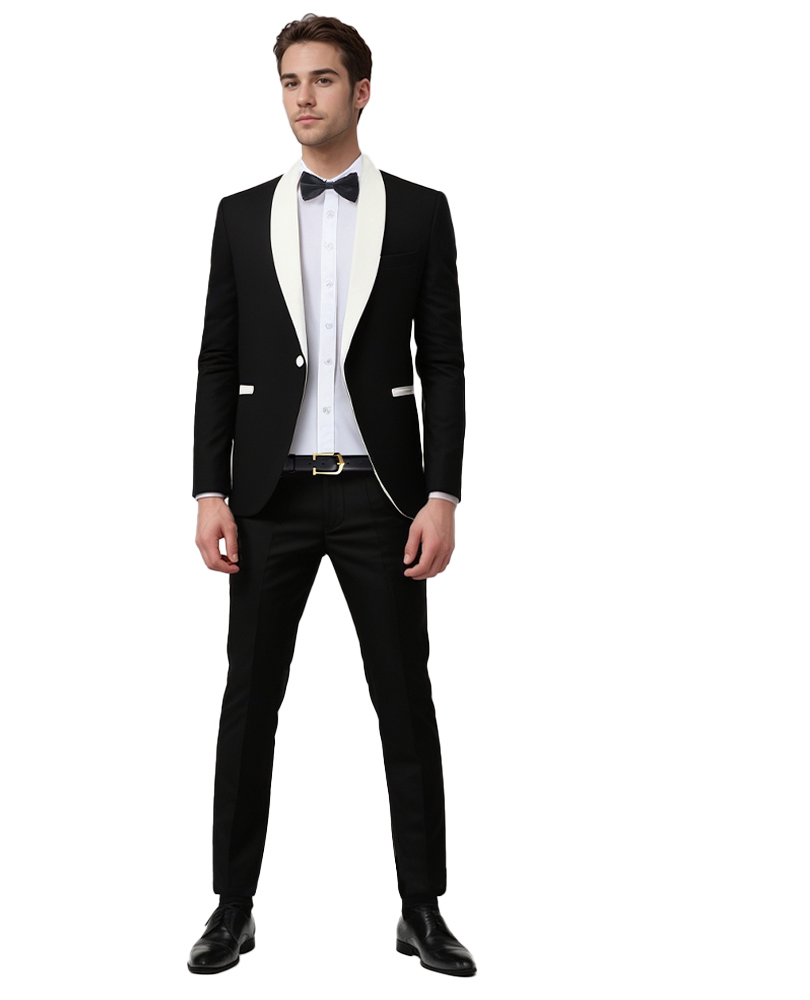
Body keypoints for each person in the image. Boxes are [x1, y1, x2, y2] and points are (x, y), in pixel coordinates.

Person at [187, 14, 473, 977]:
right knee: (248, 705)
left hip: (382, 498)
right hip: (266, 499)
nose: (302, 97)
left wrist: (442, 493)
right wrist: (209, 488)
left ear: (361, 91)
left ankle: (422, 909)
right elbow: (217, 356)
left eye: (320, 79)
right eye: (289, 81)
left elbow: (443, 360)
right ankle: (231, 908)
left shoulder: (422, 212)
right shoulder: (238, 215)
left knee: (405, 703)